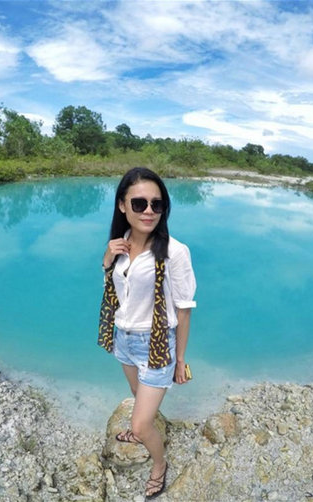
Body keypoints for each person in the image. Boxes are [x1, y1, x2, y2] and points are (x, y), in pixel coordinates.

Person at [98, 167, 197, 499]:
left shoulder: (174, 252)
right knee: (141, 402)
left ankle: (159, 464)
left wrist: (180, 360)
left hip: (157, 346)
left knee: (139, 424)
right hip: (123, 340)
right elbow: (113, 287)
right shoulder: (120, 242)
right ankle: (150, 425)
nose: (149, 211)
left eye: (157, 204)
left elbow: (183, 309)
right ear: (123, 205)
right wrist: (107, 258)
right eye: (139, 203)